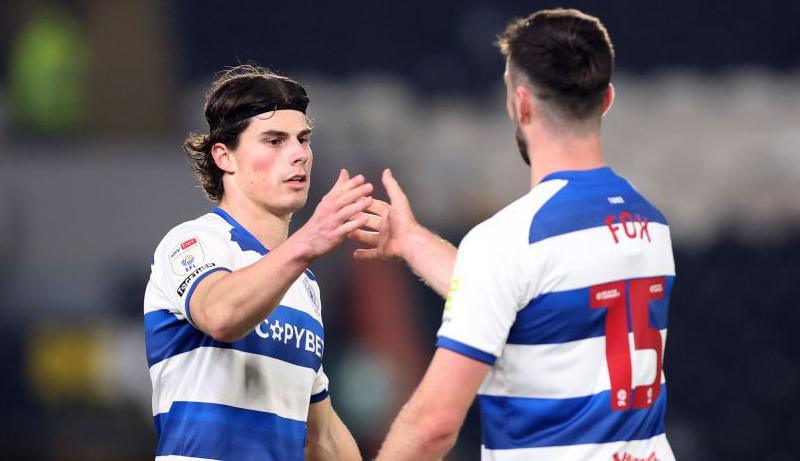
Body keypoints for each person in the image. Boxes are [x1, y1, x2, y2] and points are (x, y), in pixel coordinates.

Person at [352, 8, 676, 461]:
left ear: (520, 104)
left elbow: (433, 425)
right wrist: (411, 240)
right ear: (607, 99)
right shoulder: (651, 224)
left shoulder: (509, 241)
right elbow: (520, 300)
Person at [143, 64, 366, 461]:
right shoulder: (193, 242)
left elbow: (324, 434)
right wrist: (307, 243)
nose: (298, 154)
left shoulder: (303, 286)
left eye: (303, 139)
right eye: (274, 140)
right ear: (224, 156)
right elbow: (220, 316)